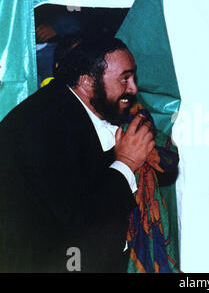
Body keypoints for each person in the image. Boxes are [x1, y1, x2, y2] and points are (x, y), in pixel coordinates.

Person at [0, 36, 157, 272]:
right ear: (86, 81)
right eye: (124, 78)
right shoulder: (45, 123)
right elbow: (80, 215)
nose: (133, 88)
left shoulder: (68, 108)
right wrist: (126, 162)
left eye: (133, 77)